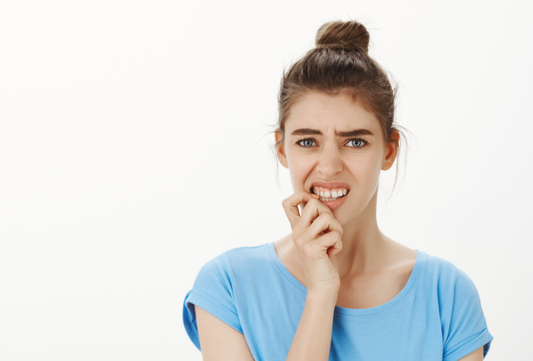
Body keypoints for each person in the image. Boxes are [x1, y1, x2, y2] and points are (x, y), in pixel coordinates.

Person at [182, 19, 494, 361]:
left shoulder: (446, 296)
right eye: (307, 141)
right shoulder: (228, 288)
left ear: (389, 151)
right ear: (283, 149)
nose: (329, 166)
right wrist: (320, 294)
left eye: (355, 141)